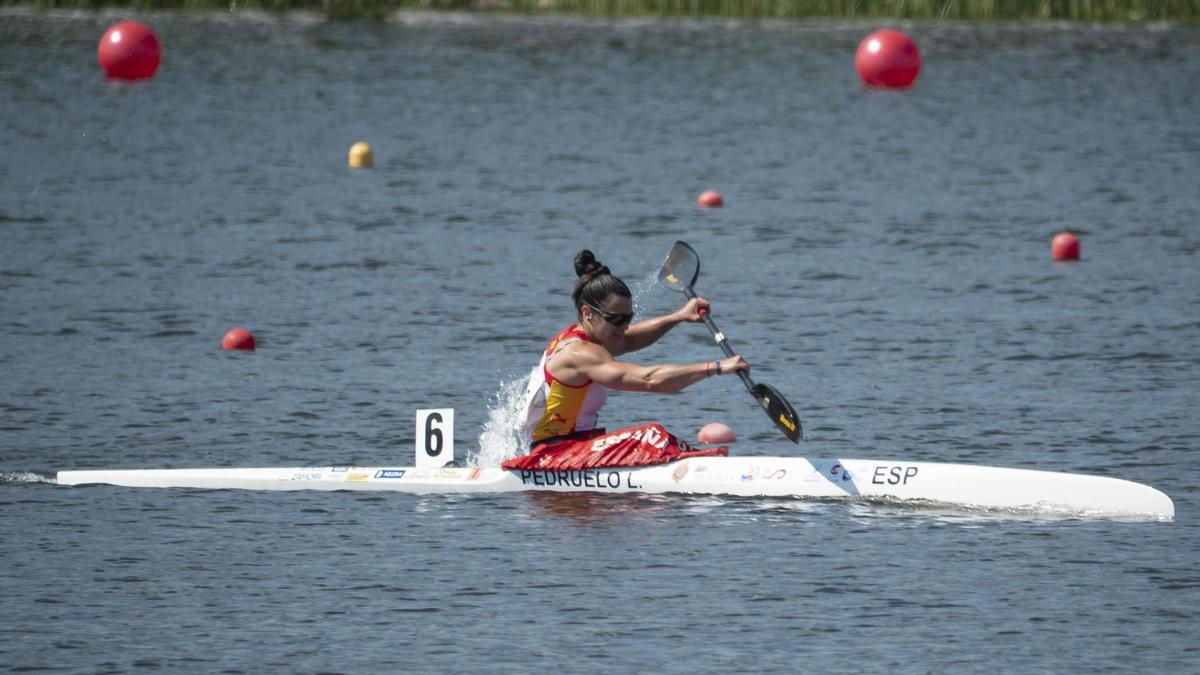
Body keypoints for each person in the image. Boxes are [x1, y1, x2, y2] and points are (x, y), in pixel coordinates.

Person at [502, 249, 749, 472]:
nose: (625, 326)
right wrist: (716, 367)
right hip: (553, 456)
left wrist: (679, 317)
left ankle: (700, 463)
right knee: (652, 435)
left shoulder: (584, 336)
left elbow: (628, 340)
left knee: (652, 438)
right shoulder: (579, 354)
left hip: (572, 448)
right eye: (616, 319)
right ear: (588, 313)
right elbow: (650, 381)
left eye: (628, 318)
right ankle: (707, 468)